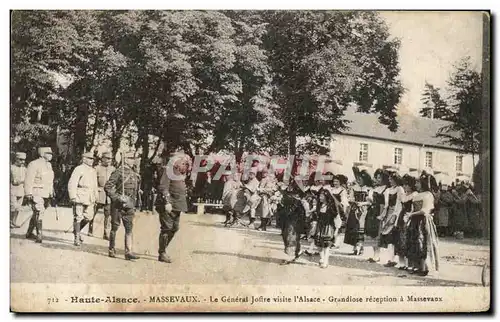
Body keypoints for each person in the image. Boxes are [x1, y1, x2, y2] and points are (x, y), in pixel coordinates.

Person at [104, 151, 141, 260]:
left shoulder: (134, 174)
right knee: (114, 227)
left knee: (129, 229)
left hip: (130, 205)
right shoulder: (118, 172)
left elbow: (135, 191)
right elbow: (108, 187)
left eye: (133, 158)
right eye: (130, 158)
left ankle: (128, 251)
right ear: (125, 159)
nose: (132, 160)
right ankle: (111, 248)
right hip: (118, 205)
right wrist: (117, 197)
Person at [155, 153, 189, 263]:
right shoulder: (169, 170)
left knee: (174, 228)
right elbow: (163, 187)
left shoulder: (179, 172)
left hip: (177, 205)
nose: (183, 163)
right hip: (168, 205)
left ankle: (163, 249)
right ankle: (162, 253)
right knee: (166, 228)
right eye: (181, 160)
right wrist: (167, 202)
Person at [405, 172, 440, 276]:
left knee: (423, 243)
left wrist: (411, 214)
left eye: (418, 183)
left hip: (424, 221)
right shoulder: (416, 195)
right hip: (415, 220)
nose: (416, 185)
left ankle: (425, 267)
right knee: (415, 243)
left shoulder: (428, 195)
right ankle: (417, 266)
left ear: (423, 183)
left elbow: (425, 210)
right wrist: (410, 214)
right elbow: (413, 208)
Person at [24, 147, 55, 243]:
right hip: (36, 191)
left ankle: (29, 232)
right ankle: (39, 235)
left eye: (51, 153)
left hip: (46, 193)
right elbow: (29, 180)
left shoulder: (49, 165)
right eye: (48, 153)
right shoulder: (34, 164)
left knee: (37, 213)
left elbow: (50, 181)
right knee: (39, 212)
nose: (51, 155)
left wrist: (52, 191)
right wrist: (28, 193)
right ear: (42, 153)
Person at [68, 152, 99, 246]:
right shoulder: (78, 169)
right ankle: (77, 237)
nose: (91, 160)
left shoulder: (93, 171)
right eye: (89, 158)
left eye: (92, 159)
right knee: (78, 217)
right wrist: (72, 196)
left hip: (90, 197)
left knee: (89, 217)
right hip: (80, 195)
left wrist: (96, 196)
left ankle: (76, 230)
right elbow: (72, 183)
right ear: (84, 159)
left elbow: (95, 185)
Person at [344, 166, 373, 255]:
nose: (359, 180)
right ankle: (355, 247)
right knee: (354, 228)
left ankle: (360, 247)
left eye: (360, 179)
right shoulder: (354, 188)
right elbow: (351, 197)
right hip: (355, 209)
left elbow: (371, 202)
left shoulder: (369, 189)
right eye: (358, 179)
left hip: (364, 210)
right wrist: (351, 201)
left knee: (361, 229)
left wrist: (362, 204)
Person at [379, 172, 405, 267]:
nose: (390, 181)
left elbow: (399, 204)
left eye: (392, 179)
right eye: (389, 179)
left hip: (395, 213)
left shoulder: (399, 189)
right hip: (388, 213)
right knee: (388, 237)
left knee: (393, 236)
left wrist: (395, 216)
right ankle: (390, 258)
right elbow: (386, 204)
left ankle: (395, 259)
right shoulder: (388, 190)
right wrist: (384, 214)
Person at [394, 174, 418, 270]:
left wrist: (409, 216)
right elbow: (399, 207)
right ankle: (402, 263)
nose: (405, 186)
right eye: (404, 184)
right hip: (401, 216)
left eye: (407, 184)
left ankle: (410, 264)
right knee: (400, 240)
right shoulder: (403, 195)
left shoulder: (415, 194)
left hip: (410, 217)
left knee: (408, 240)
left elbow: (414, 208)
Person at [366, 169, 389, 263]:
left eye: (380, 177)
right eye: (377, 177)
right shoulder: (375, 189)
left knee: (378, 233)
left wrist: (383, 215)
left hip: (380, 210)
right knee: (371, 232)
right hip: (373, 210)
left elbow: (386, 204)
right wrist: (369, 199)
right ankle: (374, 254)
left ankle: (377, 255)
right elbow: (371, 201)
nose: (378, 179)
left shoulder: (386, 189)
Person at [315, 189, 340, 268]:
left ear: (326, 197)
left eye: (322, 196)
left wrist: (336, 230)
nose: (320, 197)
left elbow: (336, 217)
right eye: (320, 196)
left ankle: (326, 261)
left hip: (328, 226)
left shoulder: (331, 206)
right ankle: (322, 258)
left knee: (326, 245)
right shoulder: (319, 205)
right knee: (319, 244)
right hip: (320, 226)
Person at [93, 151, 116, 240]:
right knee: (93, 213)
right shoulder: (97, 168)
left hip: (109, 195)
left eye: (110, 159)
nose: (109, 160)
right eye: (107, 158)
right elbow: (93, 181)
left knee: (108, 215)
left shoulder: (113, 169)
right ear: (102, 159)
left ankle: (106, 233)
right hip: (99, 193)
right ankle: (90, 229)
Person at [327, 174, 349, 248]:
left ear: (340, 182)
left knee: (338, 226)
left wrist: (343, 212)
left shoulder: (343, 190)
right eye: (334, 181)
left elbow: (344, 202)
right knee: (331, 225)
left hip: (339, 210)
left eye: (337, 181)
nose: (335, 183)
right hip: (331, 210)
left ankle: (337, 243)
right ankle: (331, 241)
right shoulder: (331, 190)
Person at [10, 152, 27, 228]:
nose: (22, 162)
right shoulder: (11, 167)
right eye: (20, 160)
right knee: (12, 206)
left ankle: (14, 222)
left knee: (18, 208)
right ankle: (9, 222)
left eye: (24, 160)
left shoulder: (24, 169)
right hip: (12, 190)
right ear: (16, 159)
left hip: (21, 190)